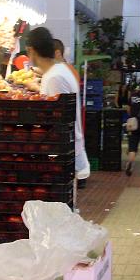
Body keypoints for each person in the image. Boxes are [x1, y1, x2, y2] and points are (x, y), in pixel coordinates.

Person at [25, 27, 90, 181]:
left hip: (62, 152)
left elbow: (58, 119)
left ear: (31, 50)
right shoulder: (59, 71)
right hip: (66, 149)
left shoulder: (55, 77)